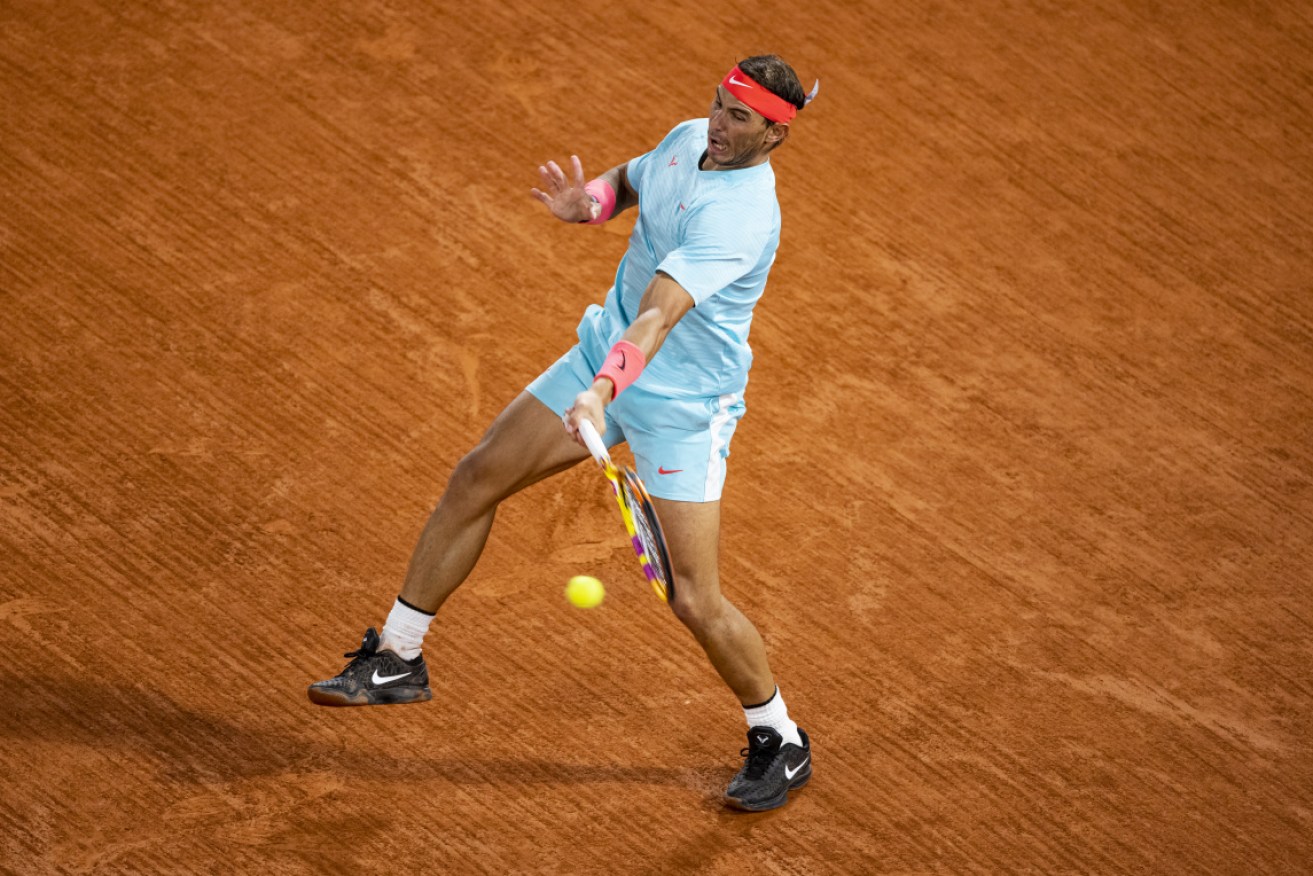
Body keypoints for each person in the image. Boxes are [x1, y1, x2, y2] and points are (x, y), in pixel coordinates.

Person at [309, 54, 817, 812]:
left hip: (679, 405)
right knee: (477, 476)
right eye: (717, 105)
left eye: (739, 118)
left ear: (773, 137)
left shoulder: (741, 218)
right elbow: (637, 178)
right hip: (600, 360)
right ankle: (397, 657)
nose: (718, 124)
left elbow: (657, 315)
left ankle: (779, 737)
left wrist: (602, 393)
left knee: (694, 599)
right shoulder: (689, 139)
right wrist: (594, 201)